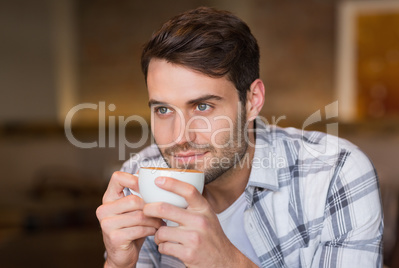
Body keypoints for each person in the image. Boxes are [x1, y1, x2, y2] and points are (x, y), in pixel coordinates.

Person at [96, 6, 383, 268]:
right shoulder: (140, 177)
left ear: (253, 100)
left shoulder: (336, 171)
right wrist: (119, 264)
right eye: (163, 109)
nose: (180, 136)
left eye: (203, 106)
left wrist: (228, 262)